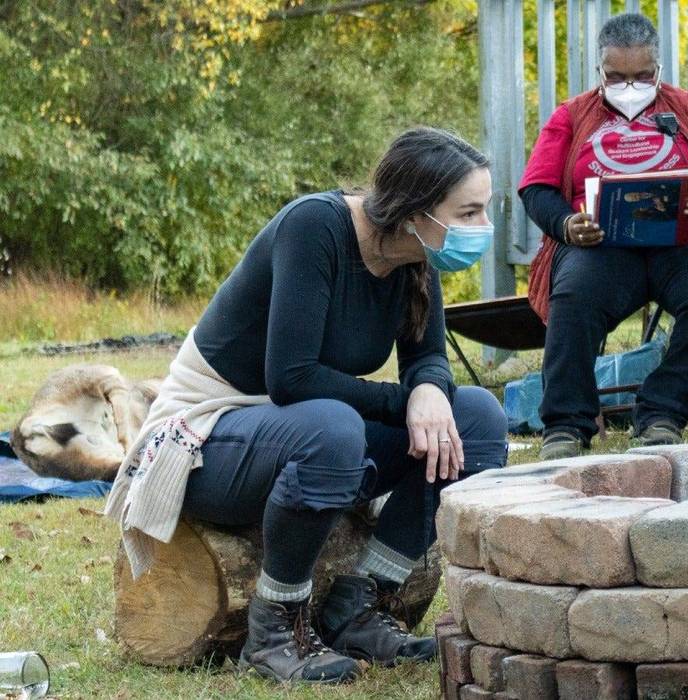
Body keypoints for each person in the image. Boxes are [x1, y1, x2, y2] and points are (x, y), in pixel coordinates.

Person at [104, 127, 509, 684]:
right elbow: (292, 378)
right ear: (416, 209)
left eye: (483, 211)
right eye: (467, 213)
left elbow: (428, 359)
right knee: (334, 427)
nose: (480, 229)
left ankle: (361, 604)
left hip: (296, 433)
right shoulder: (315, 227)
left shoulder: (417, 256)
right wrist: (406, 400)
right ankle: (274, 628)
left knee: (480, 418)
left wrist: (430, 390)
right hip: (203, 438)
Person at [519, 13, 688, 460]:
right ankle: (567, 424)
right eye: (616, 76)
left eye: (641, 76)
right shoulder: (571, 117)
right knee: (573, 297)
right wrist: (565, 225)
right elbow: (536, 189)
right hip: (599, 245)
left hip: (686, 240)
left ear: (658, 70)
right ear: (600, 70)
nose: (629, 86)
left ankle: (663, 413)